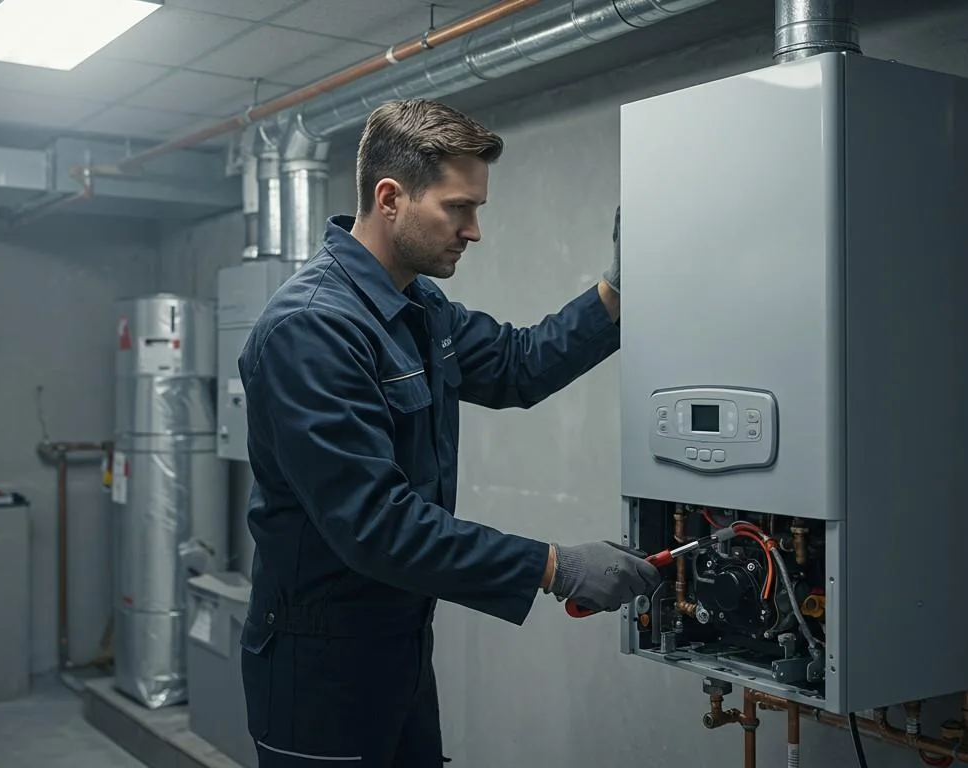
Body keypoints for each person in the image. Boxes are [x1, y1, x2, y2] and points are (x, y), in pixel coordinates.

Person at [236, 98, 662, 767]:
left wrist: (617, 292)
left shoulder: (417, 307)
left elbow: (519, 365)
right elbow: (377, 525)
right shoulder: (312, 329)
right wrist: (554, 566)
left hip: (399, 649)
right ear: (391, 197)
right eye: (458, 208)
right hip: (318, 673)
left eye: (477, 210)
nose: (474, 230)